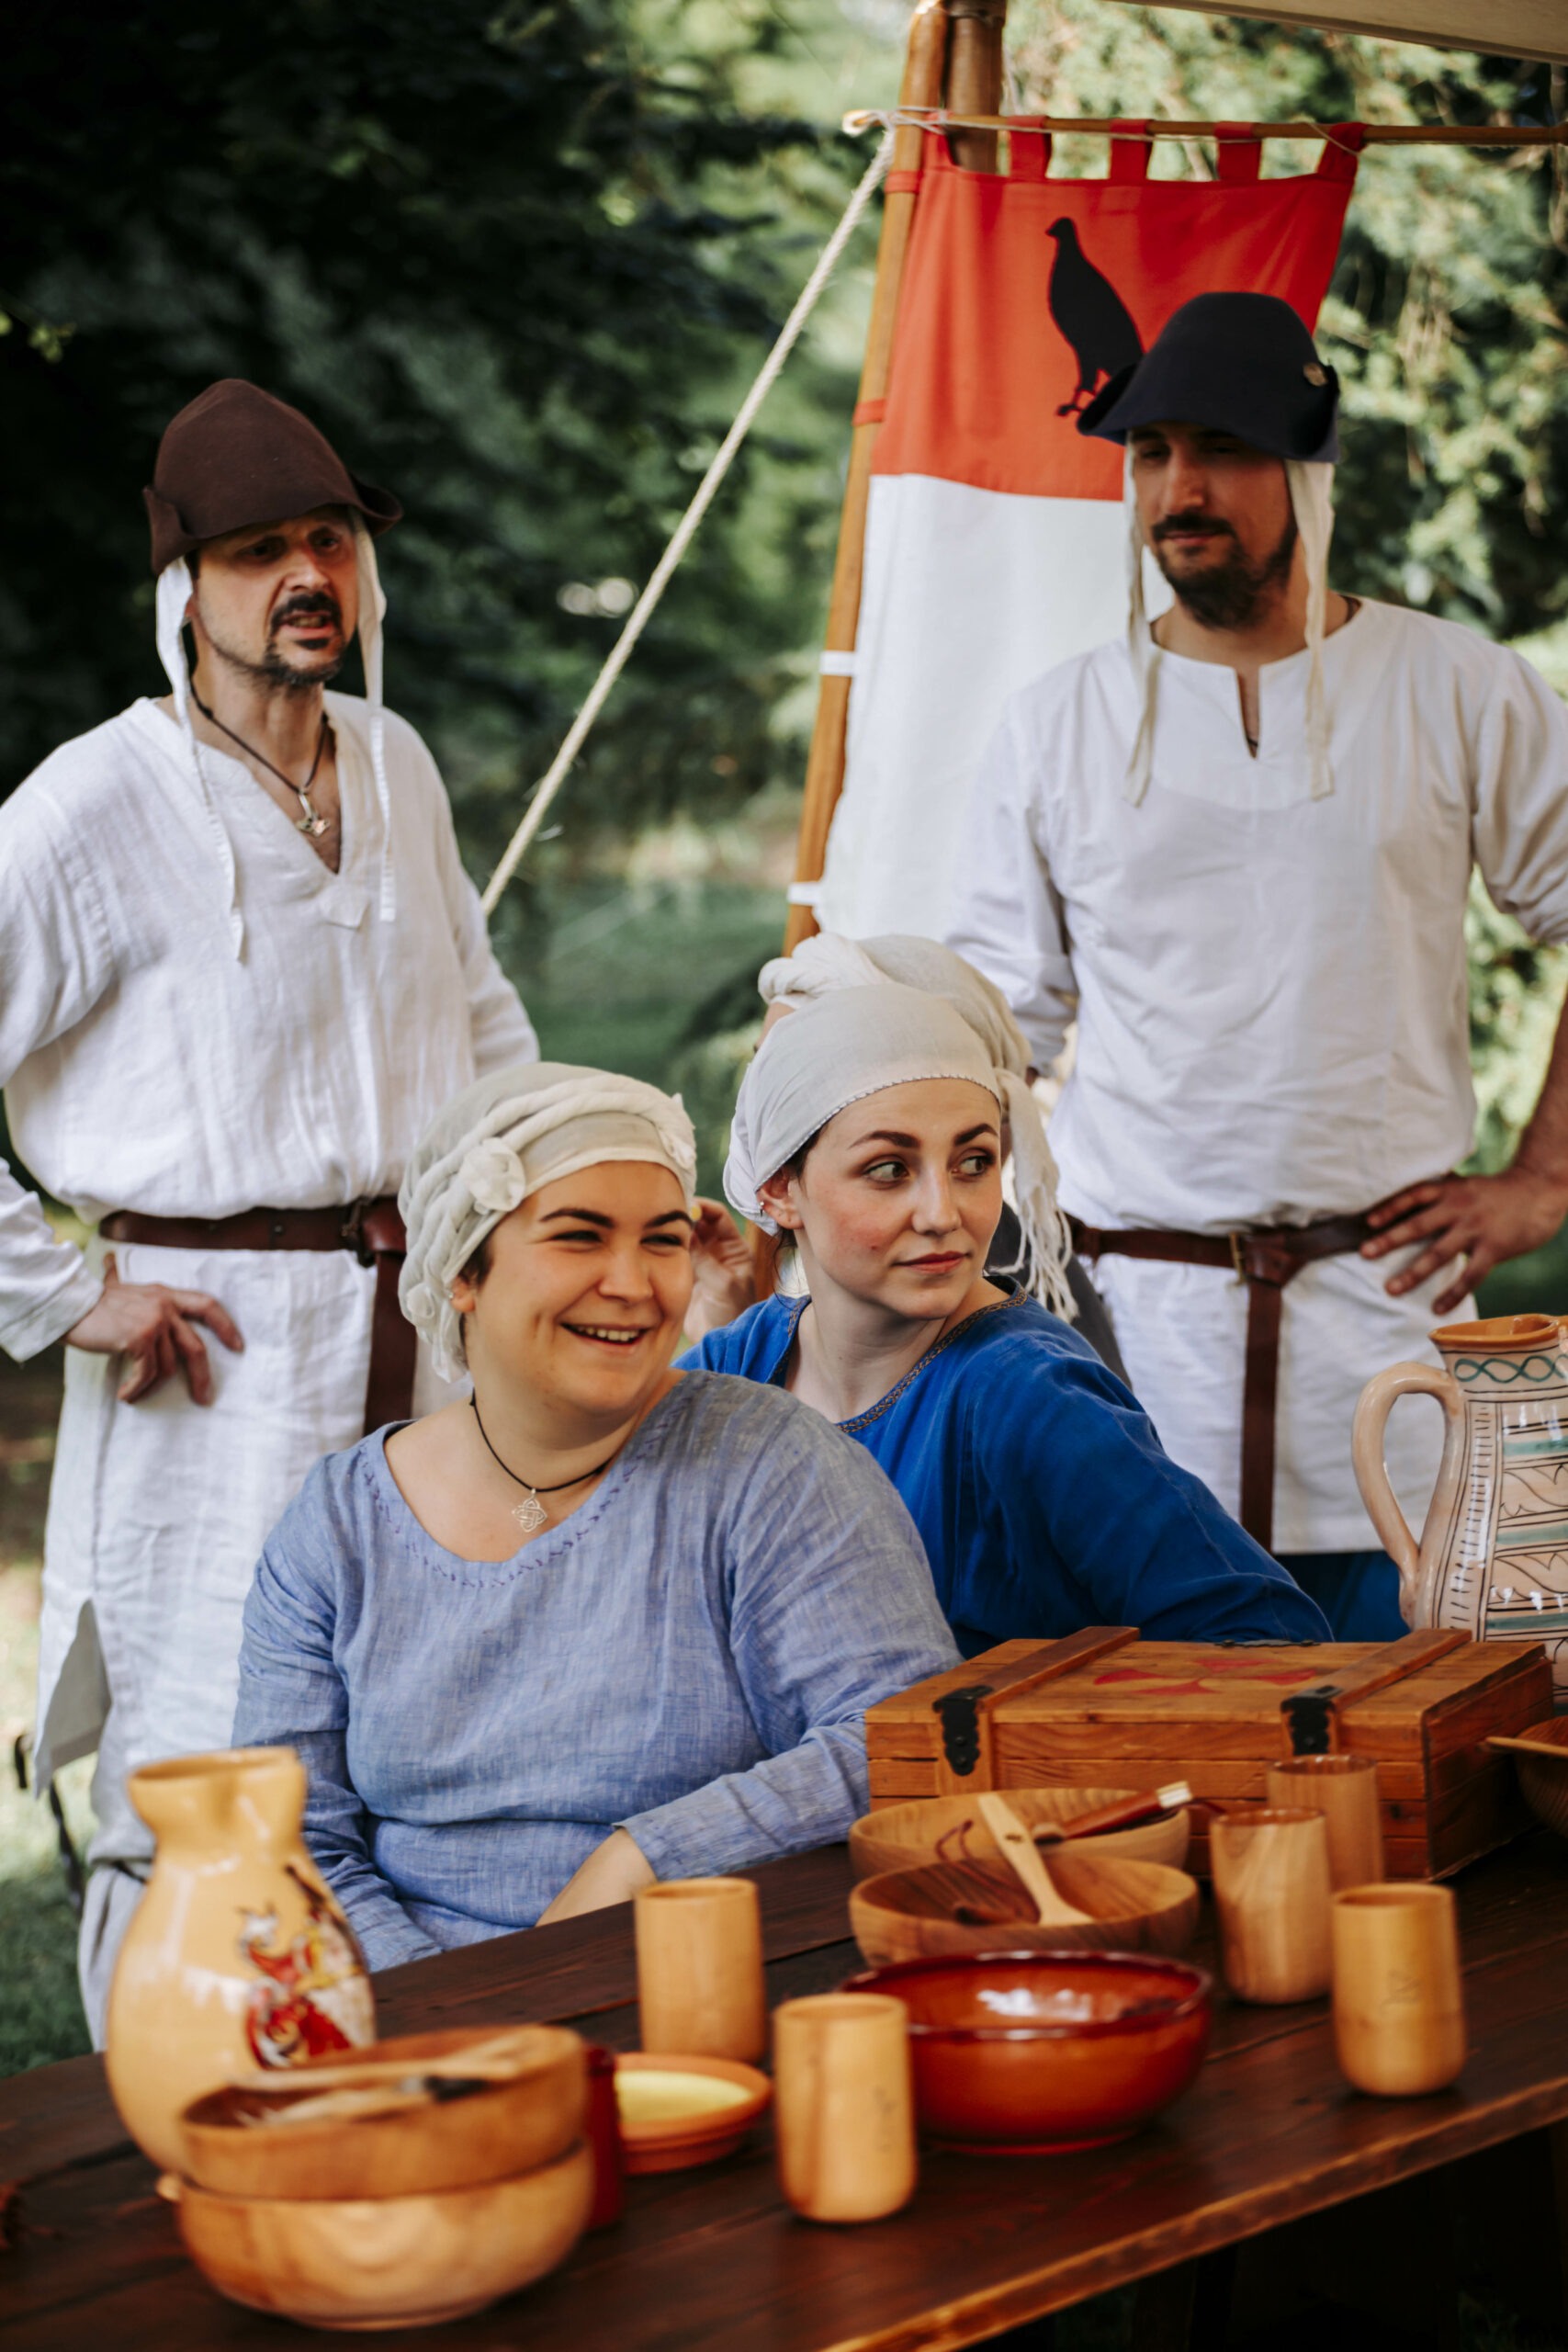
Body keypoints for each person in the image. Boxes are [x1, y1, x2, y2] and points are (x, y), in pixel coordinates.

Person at [0, 379, 537, 2033]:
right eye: (257, 551)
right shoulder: (91, 806)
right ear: (184, 585)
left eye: (329, 539)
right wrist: (63, 1292)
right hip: (213, 1367)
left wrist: (546, 1208)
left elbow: (481, 1019)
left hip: (422, 1336)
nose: (308, 574)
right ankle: (157, 2114)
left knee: (426, 1729)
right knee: (205, 1756)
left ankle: (405, 2073)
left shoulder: (395, 763)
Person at [943, 291, 1568, 1643]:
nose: (1179, 489)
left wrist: (1543, 1179)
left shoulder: (1455, 688)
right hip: (1130, 1337)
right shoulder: (1057, 723)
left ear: (1304, 466)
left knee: (1407, 1734)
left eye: (1220, 449)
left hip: (1384, 1329)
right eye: (1151, 452)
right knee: (1152, 1738)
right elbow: (994, 1023)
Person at [231, 1067, 958, 1968]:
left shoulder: (770, 1467)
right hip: (405, 2013)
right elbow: (289, 1836)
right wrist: (443, 2005)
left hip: (704, 1986)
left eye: (662, 1241)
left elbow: (904, 1738)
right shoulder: (339, 1526)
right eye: (580, 1236)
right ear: (461, 1271)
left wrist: (647, 1856)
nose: (633, 1283)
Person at [682, 982, 1330, 1657]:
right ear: (779, 1189)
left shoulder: (1028, 1396)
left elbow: (1268, 1643)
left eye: (973, 1163)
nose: (943, 1214)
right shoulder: (732, 1371)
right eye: (889, 1169)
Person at [686, 929, 1131, 1385]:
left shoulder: (1014, 1355)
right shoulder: (820, 1305)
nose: (763, 1111)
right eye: (762, 1068)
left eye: (792, 1080)